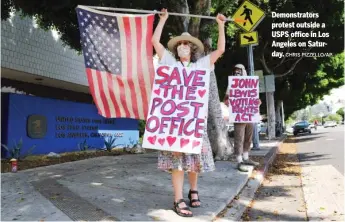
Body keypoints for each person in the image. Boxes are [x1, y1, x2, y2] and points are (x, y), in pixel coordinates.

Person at [151, 8, 226, 217]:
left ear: (192, 49)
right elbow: (155, 42)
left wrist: (220, 25)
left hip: (195, 122)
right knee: (177, 161)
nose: (184, 46)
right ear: (177, 49)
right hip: (174, 123)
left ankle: (193, 190)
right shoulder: (168, 62)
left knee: (194, 161)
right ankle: (178, 199)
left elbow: (220, 50)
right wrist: (163, 20)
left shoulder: (201, 65)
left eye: (187, 44)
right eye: (180, 44)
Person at [224, 64, 260, 172]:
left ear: (244, 71)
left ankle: (246, 157)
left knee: (248, 137)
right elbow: (226, 99)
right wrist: (228, 101)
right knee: (239, 138)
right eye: (235, 70)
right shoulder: (232, 84)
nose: (237, 72)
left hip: (249, 115)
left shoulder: (250, 84)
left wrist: (257, 102)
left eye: (239, 70)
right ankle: (239, 160)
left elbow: (255, 98)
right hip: (239, 116)